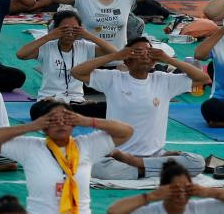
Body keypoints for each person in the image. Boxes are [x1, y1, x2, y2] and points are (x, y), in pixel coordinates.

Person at [0, 102, 132, 214]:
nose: (61, 123)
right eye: (53, 119)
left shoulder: (86, 145)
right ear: (44, 125)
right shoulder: (31, 148)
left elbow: (126, 132)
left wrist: (87, 121)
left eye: (66, 118)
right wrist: (31, 126)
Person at [73, 36, 210, 180]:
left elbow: (203, 79)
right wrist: (116, 55)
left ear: (154, 60)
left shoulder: (163, 80)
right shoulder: (114, 78)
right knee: (96, 166)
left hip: (154, 155)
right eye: (138, 52)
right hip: (117, 155)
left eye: (149, 51)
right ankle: (151, 169)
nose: (145, 54)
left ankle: (139, 166)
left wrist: (168, 59)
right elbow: (77, 72)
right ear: (127, 60)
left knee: (197, 162)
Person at [17, 8, 117, 116]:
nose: (69, 33)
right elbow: (21, 54)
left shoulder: (84, 46)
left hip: (77, 101)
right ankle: (69, 112)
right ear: (56, 29)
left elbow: (115, 53)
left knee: (106, 109)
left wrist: (90, 36)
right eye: (65, 29)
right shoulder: (47, 47)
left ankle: (68, 111)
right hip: (49, 100)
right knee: (37, 110)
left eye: (74, 29)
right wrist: (50, 36)